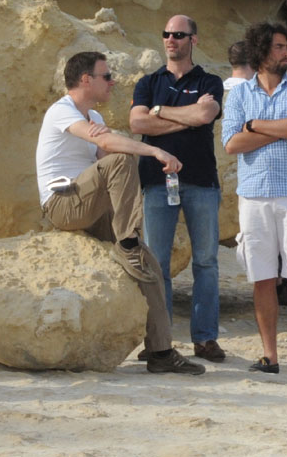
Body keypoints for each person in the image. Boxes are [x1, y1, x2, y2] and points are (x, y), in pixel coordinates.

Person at [38, 51, 204, 375]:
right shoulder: (62, 111)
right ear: (86, 79)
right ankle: (127, 241)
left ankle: (160, 352)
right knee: (120, 160)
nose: (112, 82)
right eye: (106, 76)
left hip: (91, 206)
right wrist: (155, 149)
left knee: (150, 265)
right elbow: (114, 156)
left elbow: (109, 148)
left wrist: (133, 148)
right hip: (62, 205)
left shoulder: (95, 119)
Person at [222, 22, 287, 377]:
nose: (286, 54)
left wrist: (253, 126)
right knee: (262, 277)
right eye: (279, 47)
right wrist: (271, 129)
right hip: (253, 195)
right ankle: (270, 356)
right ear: (262, 51)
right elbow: (231, 144)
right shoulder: (237, 95)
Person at [129, 16, 225, 362]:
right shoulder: (148, 81)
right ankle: (160, 341)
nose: (171, 39)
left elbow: (205, 116)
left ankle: (205, 338)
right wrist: (184, 115)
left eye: (179, 35)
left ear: (193, 40)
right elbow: (137, 123)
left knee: (207, 262)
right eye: (167, 34)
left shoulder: (210, 80)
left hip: (201, 181)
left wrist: (160, 115)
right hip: (157, 182)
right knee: (157, 264)